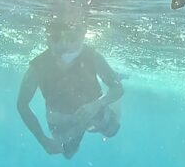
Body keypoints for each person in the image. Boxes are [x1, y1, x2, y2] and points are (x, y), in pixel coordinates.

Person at [17, 17, 123, 158]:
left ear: (81, 36)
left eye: (71, 38)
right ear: (47, 39)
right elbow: (22, 104)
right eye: (56, 38)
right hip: (61, 115)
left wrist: (97, 104)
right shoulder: (38, 67)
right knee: (68, 153)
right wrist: (42, 140)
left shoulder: (92, 56)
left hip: (94, 106)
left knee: (112, 130)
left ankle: (115, 82)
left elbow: (118, 88)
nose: (64, 45)